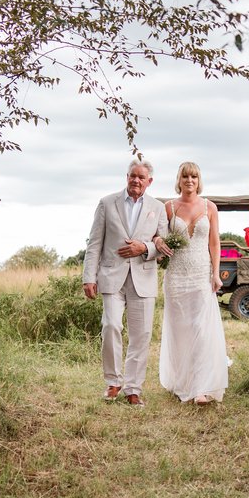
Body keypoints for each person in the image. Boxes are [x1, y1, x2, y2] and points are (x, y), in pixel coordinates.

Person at [82, 158, 171, 407]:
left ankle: (133, 388)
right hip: (111, 276)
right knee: (110, 325)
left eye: (141, 177)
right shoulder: (107, 203)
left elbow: (165, 244)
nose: (136, 180)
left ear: (149, 182)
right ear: (127, 176)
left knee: (141, 334)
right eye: (133, 175)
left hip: (143, 277)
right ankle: (113, 382)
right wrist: (88, 276)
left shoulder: (158, 207)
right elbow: (94, 243)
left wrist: (145, 247)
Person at [159, 161, 230, 405]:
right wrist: (159, 242)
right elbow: (157, 235)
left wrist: (216, 273)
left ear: (199, 181)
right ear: (179, 180)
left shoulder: (210, 207)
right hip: (176, 276)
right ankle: (183, 382)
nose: (190, 180)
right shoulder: (168, 208)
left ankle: (201, 387)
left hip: (201, 273)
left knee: (201, 329)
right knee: (180, 330)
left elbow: (214, 242)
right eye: (185, 176)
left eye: (194, 177)